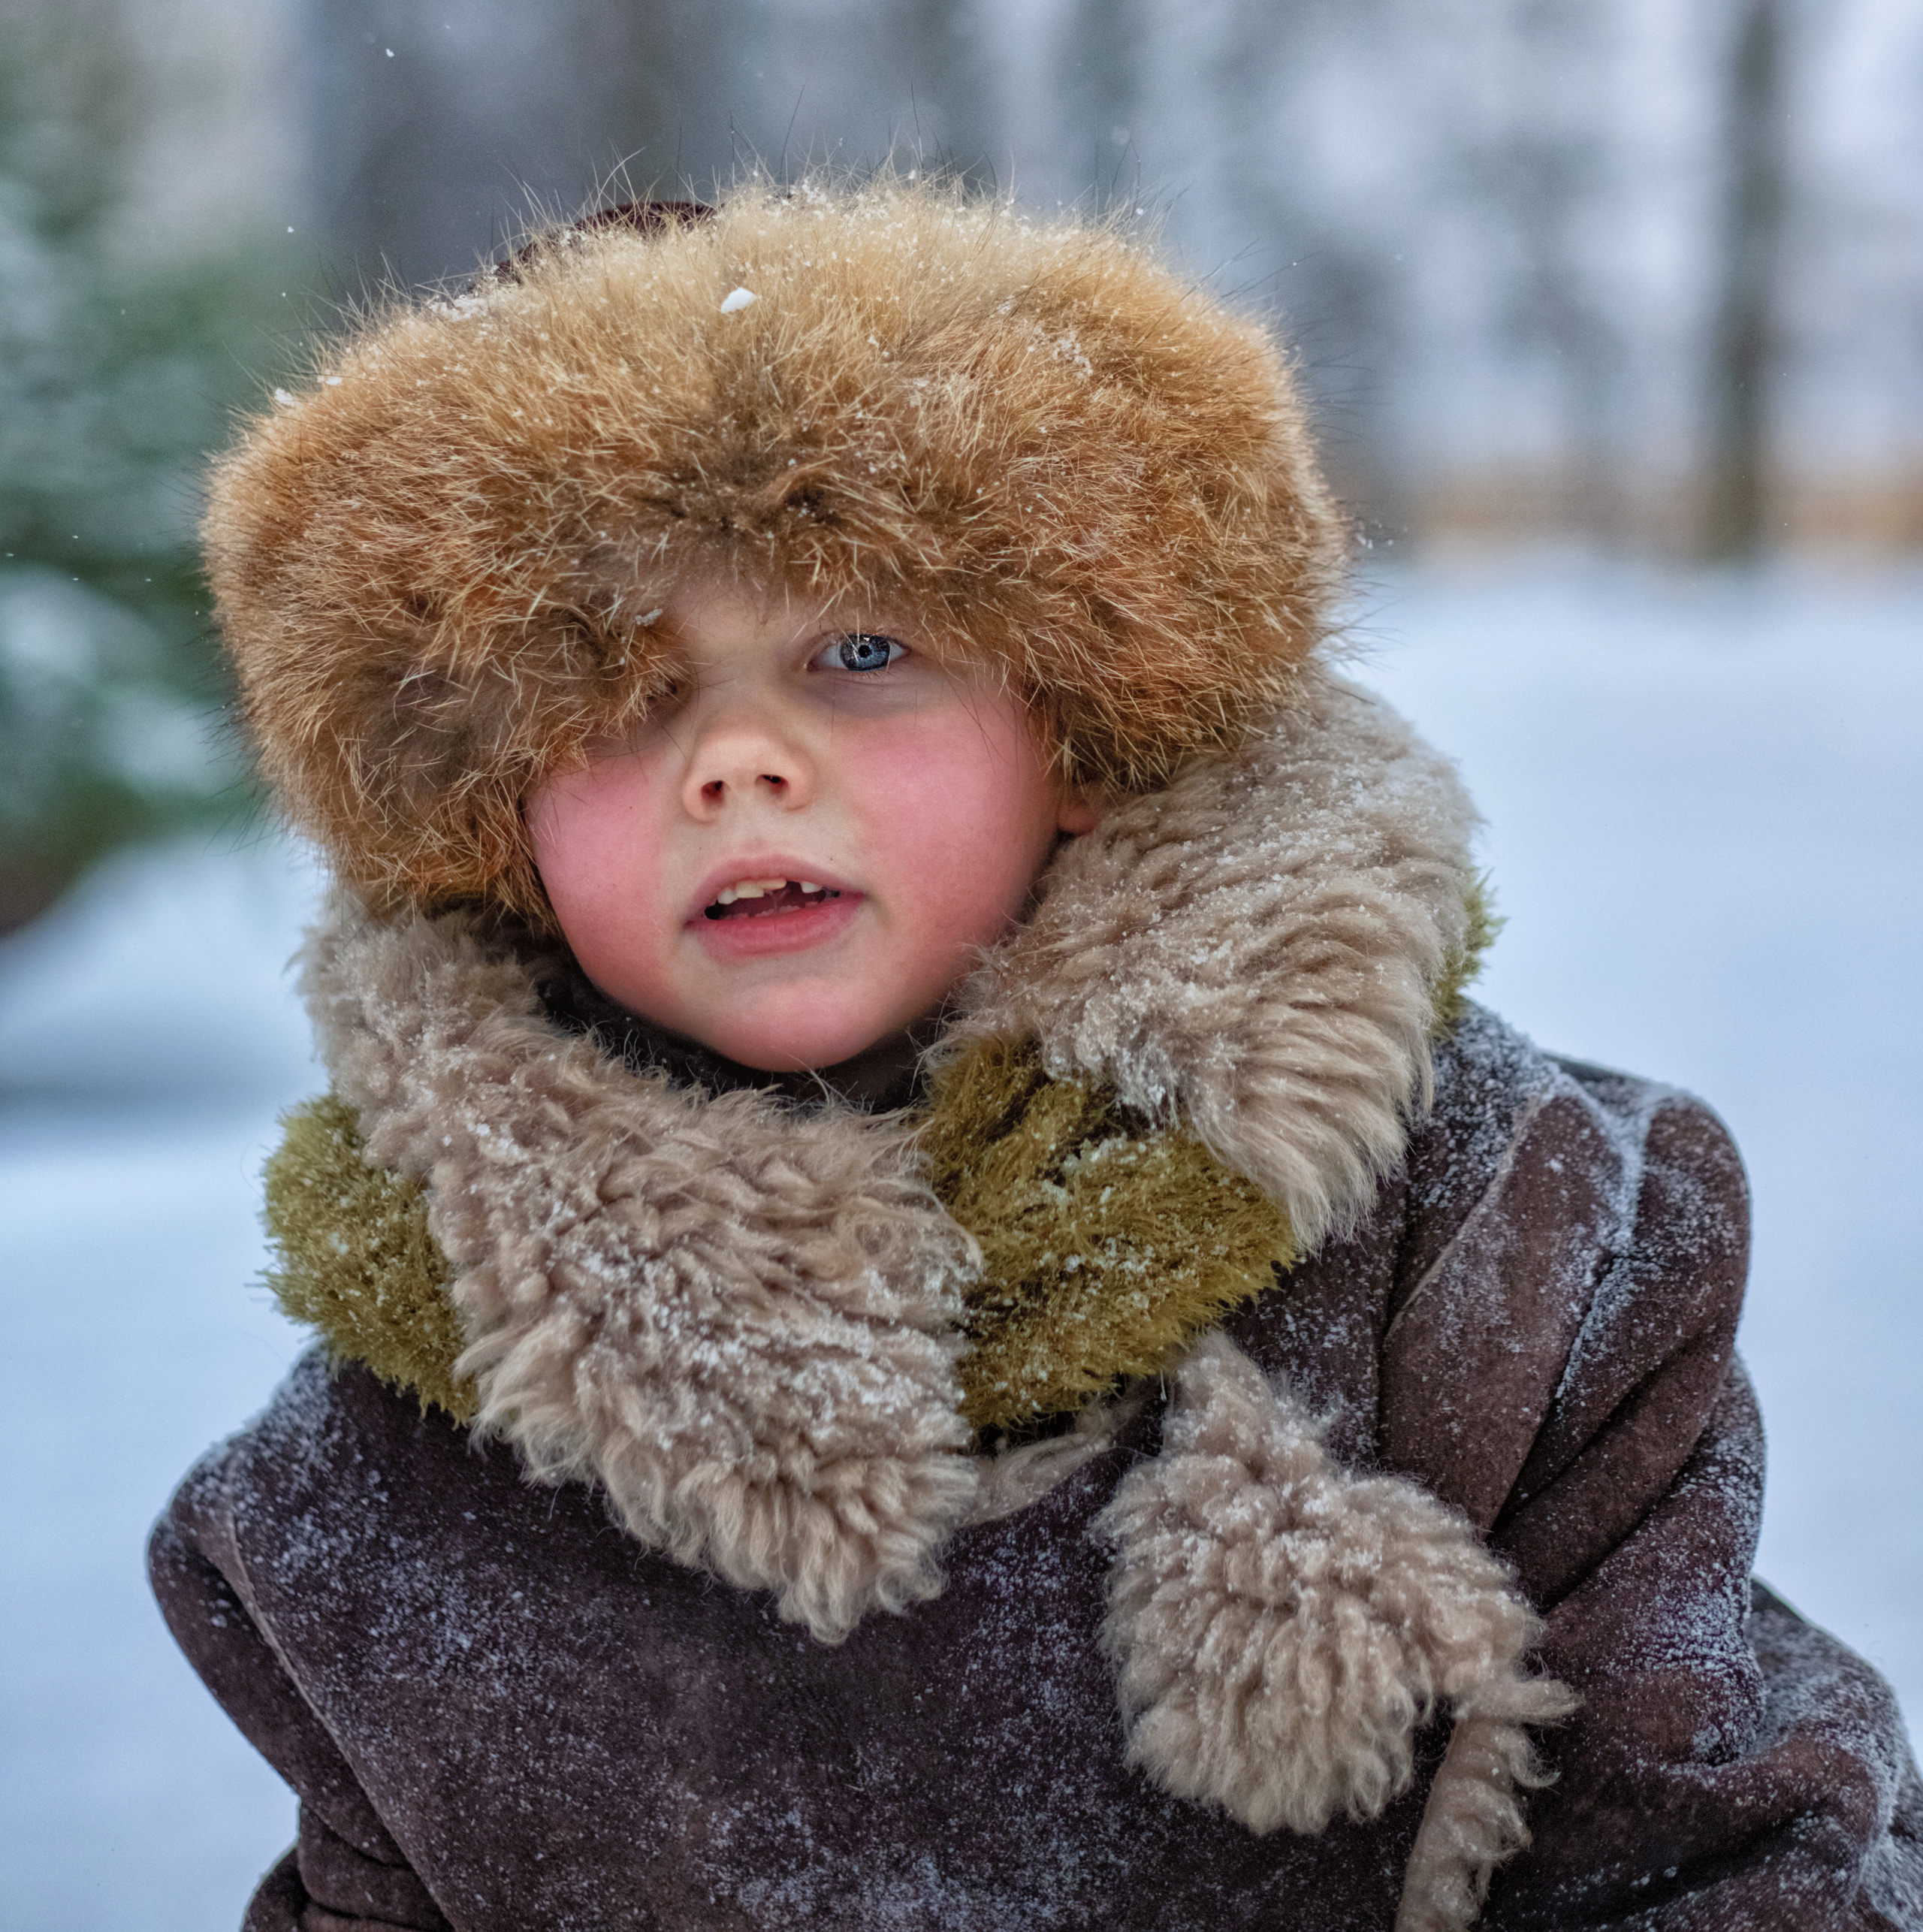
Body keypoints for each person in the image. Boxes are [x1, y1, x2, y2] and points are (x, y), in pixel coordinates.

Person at [150, 179, 1922, 1932]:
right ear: (493, 822)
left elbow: (1716, 1853)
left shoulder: (1501, 1243)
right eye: (614, 694)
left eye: (860, 649)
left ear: (1077, 729)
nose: (736, 760)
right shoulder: (364, 1494)